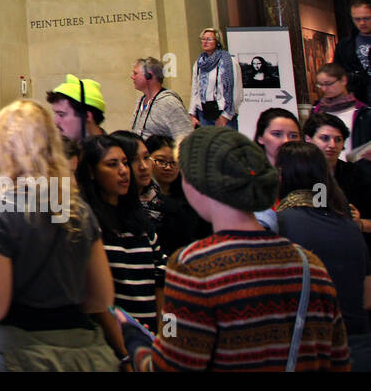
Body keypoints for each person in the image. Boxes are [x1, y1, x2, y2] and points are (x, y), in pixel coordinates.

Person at [131, 126, 350, 371]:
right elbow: (339, 360)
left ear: (197, 184)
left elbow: (171, 364)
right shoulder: (311, 265)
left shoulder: (191, 266)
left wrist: (136, 344)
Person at [0, 100, 119, 372]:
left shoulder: (0, 212)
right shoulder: (77, 210)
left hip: (20, 355)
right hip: (84, 354)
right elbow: (101, 298)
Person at [274, 141, 371, 371]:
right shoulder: (348, 224)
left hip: (310, 350)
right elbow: (367, 297)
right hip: (358, 347)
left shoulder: (281, 223)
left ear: (281, 175)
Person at [77, 134, 166, 335]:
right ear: (92, 172)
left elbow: (162, 280)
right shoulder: (87, 223)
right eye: (112, 164)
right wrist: (125, 354)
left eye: (125, 163)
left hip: (152, 337)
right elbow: (95, 298)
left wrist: (167, 336)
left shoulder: (142, 221)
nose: (123, 171)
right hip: (112, 340)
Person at [305, 112, 371, 258]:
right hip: (313, 252)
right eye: (324, 138)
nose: (332, 145)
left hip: (354, 250)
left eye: (338, 139)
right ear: (308, 139)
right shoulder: (299, 174)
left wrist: (359, 224)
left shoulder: (357, 174)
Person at [144, 134, 210, 256]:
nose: (168, 167)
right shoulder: (142, 199)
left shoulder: (191, 197)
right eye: (161, 161)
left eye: (174, 162)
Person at [312, 63, 371, 159]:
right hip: (322, 170)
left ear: (343, 80)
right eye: (320, 85)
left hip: (356, 170)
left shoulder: (363, 113)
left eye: (328, 83)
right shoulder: (316, 111)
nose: (324, 89)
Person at [46, 74, 105, 168]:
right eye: (55, 114)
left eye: (61, 114)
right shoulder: (61, 153)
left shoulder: (111, 156)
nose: (55, 121)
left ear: (87, 116)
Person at [129, 57, 193, 140]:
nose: (132, 77)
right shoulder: (140, 102)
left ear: (149, 75)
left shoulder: (169, 103)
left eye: (135, 73)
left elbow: (185, 137)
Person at [189, 28, 240, 129]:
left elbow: (237, 90)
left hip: (223, 113)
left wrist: (226, 116)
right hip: (203, 113)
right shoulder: (199, 63)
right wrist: (192, 114)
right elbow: (195, 90)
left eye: (209, 39)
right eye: (203, 39)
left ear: (217, 42)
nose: (205, 42)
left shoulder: (228, 61)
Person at [334, 0, 371, 104]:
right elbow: (337, 72)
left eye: (367, 18)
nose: (362, 23)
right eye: (357, 19)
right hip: (358, 100)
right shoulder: (345, 45)